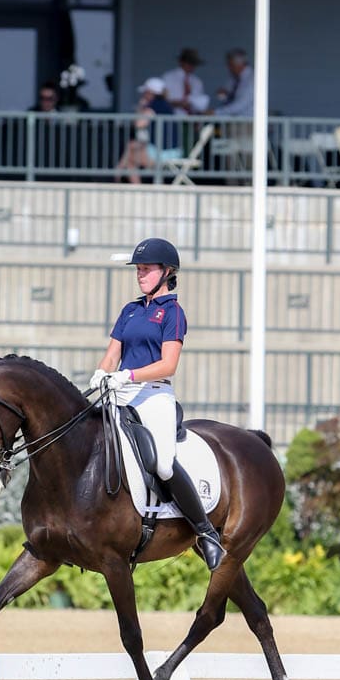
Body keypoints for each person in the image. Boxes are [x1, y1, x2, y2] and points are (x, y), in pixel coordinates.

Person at [89, 238, 225, 571]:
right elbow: (112, 354)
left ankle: (205, 531)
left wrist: (129, 375)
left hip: (153, 395)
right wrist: (101, 373)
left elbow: (168, 365)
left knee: (163, 464)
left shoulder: (173, 313)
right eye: (138, 269)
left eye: (146, 269)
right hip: (120, 391)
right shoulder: (130, 310)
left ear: (167, 272)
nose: (140, 275)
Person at [115, 77, 177, 184]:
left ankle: (124, 178)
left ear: (150, 92)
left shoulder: (154, 105)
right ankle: (118, 171)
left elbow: (139, 124)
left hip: (164, 152)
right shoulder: (165, 105)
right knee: (131, 145)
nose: (143, 95)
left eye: (145, 92)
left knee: (130, 160)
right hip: (169, 149)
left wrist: (141, 107)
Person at [161, 48, 210, 115]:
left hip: (192, 119)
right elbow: (162, 101)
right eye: (189, 62)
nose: (191, 66)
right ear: (181, 62)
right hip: (173, 117)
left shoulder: (197, 82)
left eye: (194, 63)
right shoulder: (168, 78)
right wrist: (178, 103)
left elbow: (200, 103)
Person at [212, 48, 254, 117]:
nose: (229, 68)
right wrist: (223, 96)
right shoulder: (233, 79)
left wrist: (216, 112)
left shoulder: (252, 79)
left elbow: (241, 104)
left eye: (231, 65)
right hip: (231, 119)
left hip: (247, 120)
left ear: (239, 64)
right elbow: (227, 99)